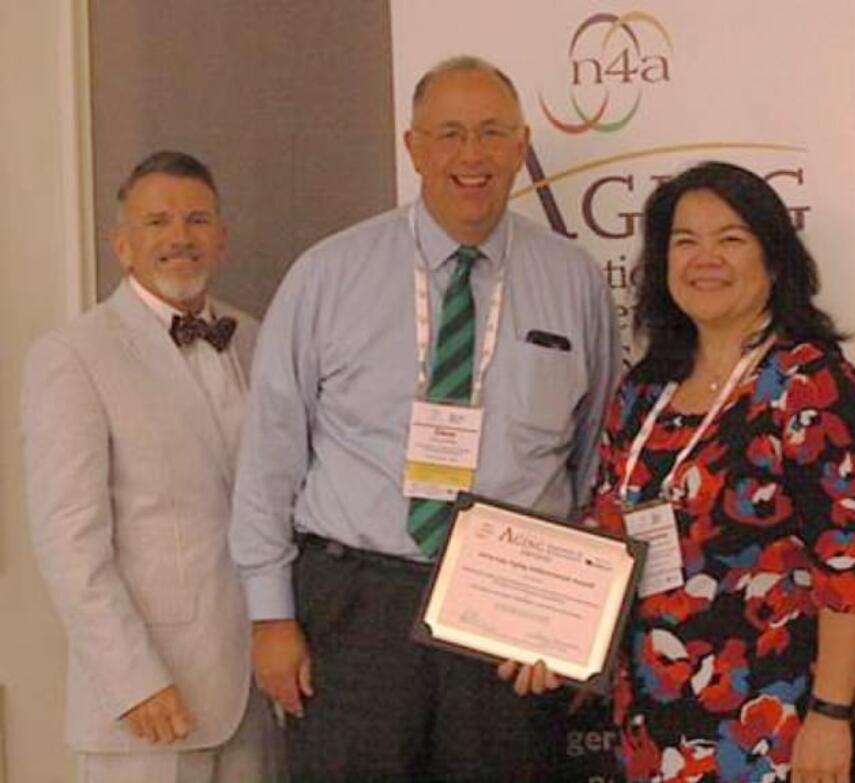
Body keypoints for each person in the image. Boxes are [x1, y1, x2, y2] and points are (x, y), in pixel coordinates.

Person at [228, 55, 621, 781]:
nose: (470, 156)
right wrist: (270, 615)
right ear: (412, 146)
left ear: (520, 144)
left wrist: (568, 625)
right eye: (448, 134)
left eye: (491, 133)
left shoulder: (574, 280)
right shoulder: (329, 274)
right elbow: (270, 455)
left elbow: (594, 459)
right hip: (355, 607)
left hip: (507, 613)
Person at [571, 161, 855, 783]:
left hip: (778, 724)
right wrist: (553, 639)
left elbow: (853, 564)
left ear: (774, 260)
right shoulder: (643, 394)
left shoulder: (809, 383)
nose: (704, 258)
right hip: (654, 720)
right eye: (684, 241)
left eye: (731, 239)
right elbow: (606, 539)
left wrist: (830, 713)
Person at [21, 151, 278, 782]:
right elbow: (69, 543)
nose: (179, 238)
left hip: (257, 692)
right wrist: (132, 679)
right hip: (147, 705)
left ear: (220, 238)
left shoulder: (257, 336)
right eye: (157, 222)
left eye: (196, 220)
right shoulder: (73, 356)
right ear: (123, 246)